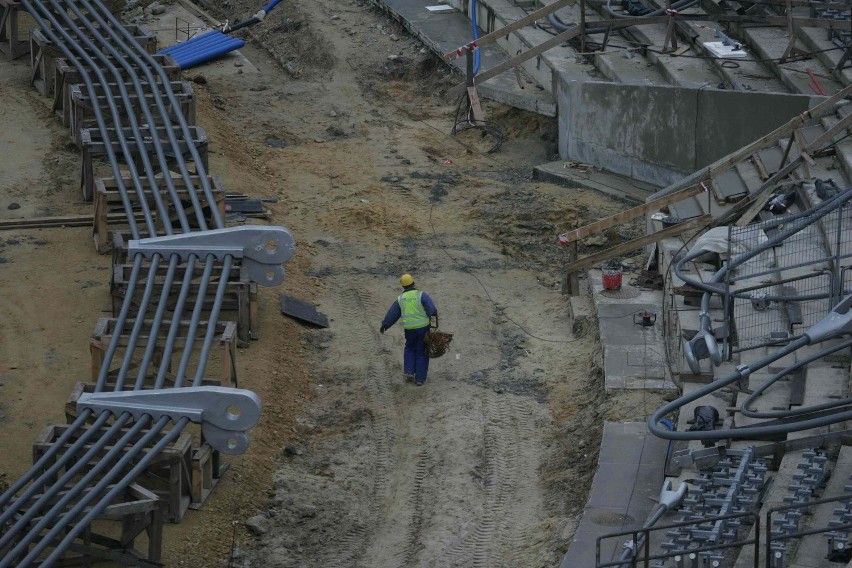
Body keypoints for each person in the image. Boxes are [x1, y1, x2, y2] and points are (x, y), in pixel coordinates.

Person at [380, 273, 438, 386]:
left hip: (409, 329)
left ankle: (409, 372)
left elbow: (393, 314)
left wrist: (385, 325)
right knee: (422, 351)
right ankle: (420, 379)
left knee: (410, 348)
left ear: (403, 286)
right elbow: (432, 311)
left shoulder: (400, 299)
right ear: (413, 283)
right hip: (423, 329)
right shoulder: (421, 295)